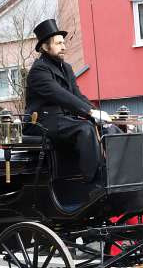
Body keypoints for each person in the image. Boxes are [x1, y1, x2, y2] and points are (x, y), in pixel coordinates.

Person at [25, 19, 100, 182]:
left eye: (63, 43)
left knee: (107, 128)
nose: (64, 47)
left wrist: (97, 113)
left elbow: (77, 95)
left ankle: (114, 173)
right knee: (85, 129)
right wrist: (89, 112)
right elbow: (59, 94)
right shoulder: (38, 71)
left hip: (63, 121)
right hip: (42, 122)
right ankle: (91, 181)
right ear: (45, 47)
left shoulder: (66, 68)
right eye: (59, 43)